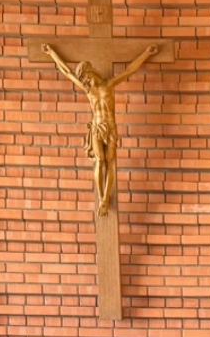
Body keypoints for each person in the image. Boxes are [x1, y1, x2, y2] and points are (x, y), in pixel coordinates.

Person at [42, 42, 159, 215]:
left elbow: (129, 71)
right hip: (97, 126)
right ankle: (101, 197)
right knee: (99, 160)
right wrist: (52, 53)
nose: (84, 80)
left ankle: (105, 198)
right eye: (82, 78)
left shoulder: (109, 85)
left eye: (85, 76)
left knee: (110, 162)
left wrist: (146, 54)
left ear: (91, 71)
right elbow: (67, 72)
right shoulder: (88, 90)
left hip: (110, 126)